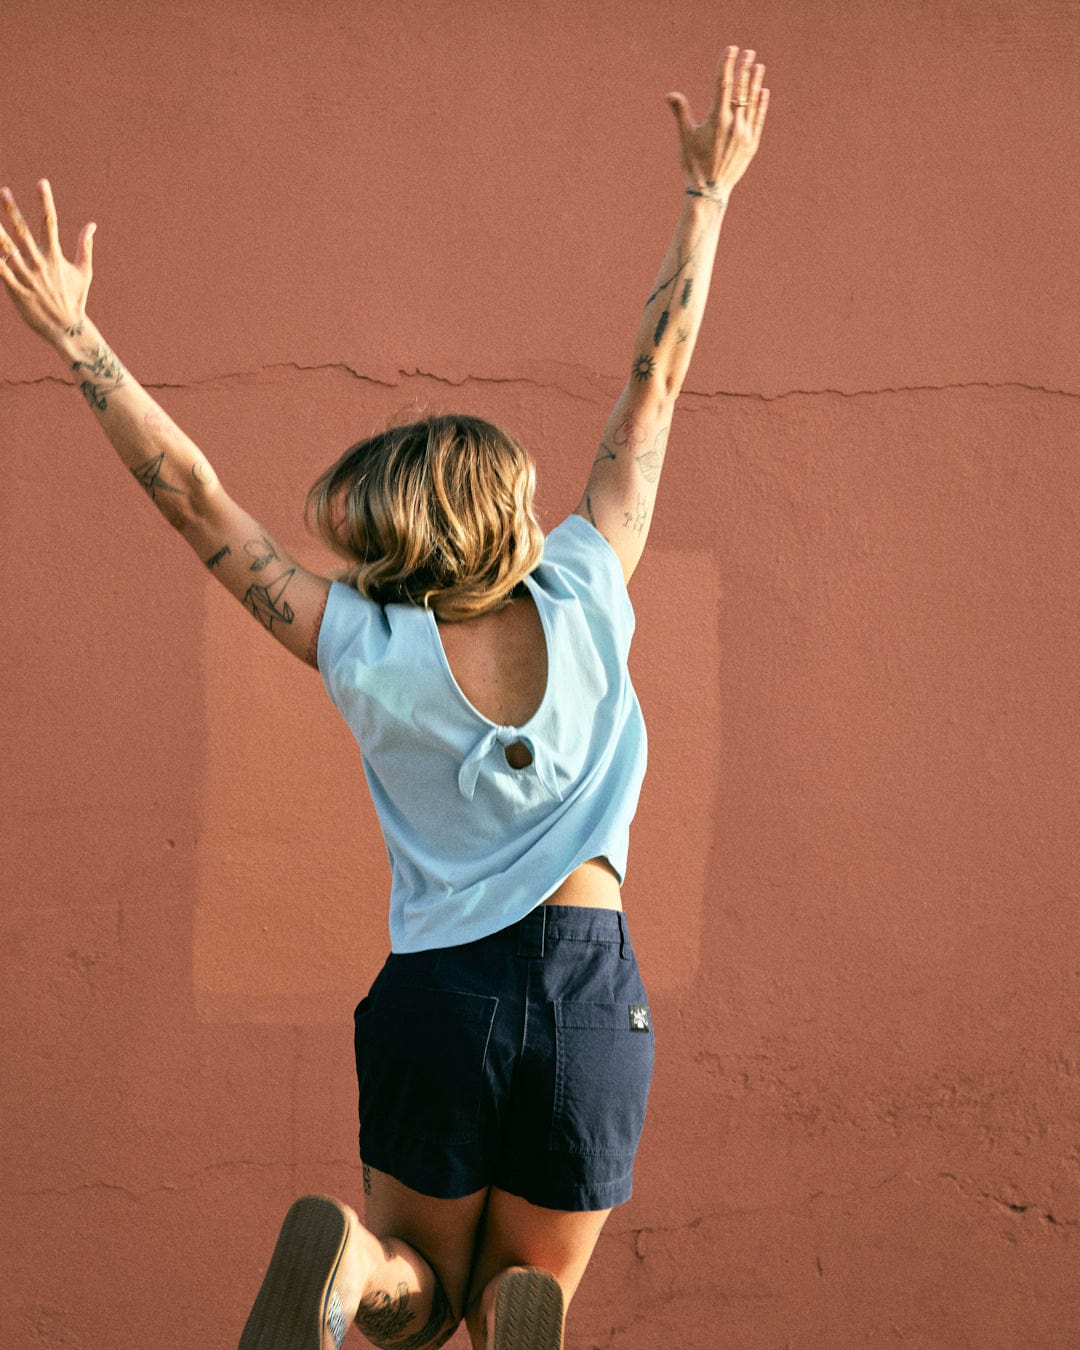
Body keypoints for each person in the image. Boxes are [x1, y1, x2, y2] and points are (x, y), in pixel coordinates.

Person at [1, 45, 768, 1350]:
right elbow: (654, 388)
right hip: (593, 983)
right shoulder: (590, 584)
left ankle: (360, 1265)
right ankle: (517, 1316)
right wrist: (707, 197)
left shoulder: (361, 642)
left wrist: (79, 337)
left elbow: (199, 503)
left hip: (442, 991)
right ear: (502, 502)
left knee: (414, 1301)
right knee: (523, 1304)